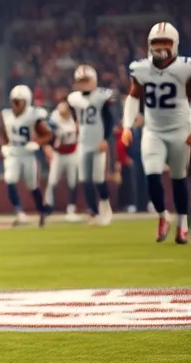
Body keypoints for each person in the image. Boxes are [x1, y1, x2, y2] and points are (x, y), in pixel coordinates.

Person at [120, 22, 191, 243]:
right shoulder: (141, 68)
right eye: (156, 43)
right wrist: (127, 126)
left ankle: (182, 223)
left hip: (180, 130)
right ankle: (162, 216)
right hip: (153, 130)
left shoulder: (184, 67)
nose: (160, 47)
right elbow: (133, 96)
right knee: (151, 174)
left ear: (175, 44)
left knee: (179, 177)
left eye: (165, 42)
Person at [67, 64, 115, 225]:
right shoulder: (74, 98)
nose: (84, 84)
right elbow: (75, 116)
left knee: (99, 178)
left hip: (98, 142)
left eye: (86, 80)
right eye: (81, 81)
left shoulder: (102, 96)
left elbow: (109, 119)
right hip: (83, 142)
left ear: (94, 80)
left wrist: (105, 139)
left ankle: (105, 207)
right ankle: (93, 213)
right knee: (85, 179)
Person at [1, 84, 51, 227]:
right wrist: (4, 145)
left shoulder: (33, 115)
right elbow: (5, 132)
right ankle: (19, 212)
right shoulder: (7, 114)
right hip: (14, 152)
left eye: (19, 101)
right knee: (10, 179)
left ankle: (41, 211)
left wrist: (37, 143)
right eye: (14, 101)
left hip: (27, 152)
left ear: (27, 101)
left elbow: (48, 134)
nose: (16, 105)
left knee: (32, 185)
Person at [44, 100, 80, 218]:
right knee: (52, 180)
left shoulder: (74, 116)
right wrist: (48, 146)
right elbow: (47, 133)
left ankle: (71, 207)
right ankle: (49, 206)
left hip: (72, 152)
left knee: (73, 181)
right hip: (58, 153)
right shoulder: (54, 118)